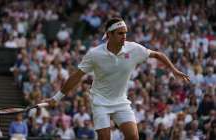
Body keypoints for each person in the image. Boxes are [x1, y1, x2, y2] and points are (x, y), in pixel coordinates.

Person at [45, 17, 190, 140]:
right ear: (109, 35)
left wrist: (174, 70)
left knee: (133, 137)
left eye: (125, 33)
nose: (124, 36)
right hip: (100, 101)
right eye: (120, 33)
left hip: (121, 101)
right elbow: (76, 77)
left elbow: (158, 55)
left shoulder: (134, 49)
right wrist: (56, 98)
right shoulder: (94, 54)